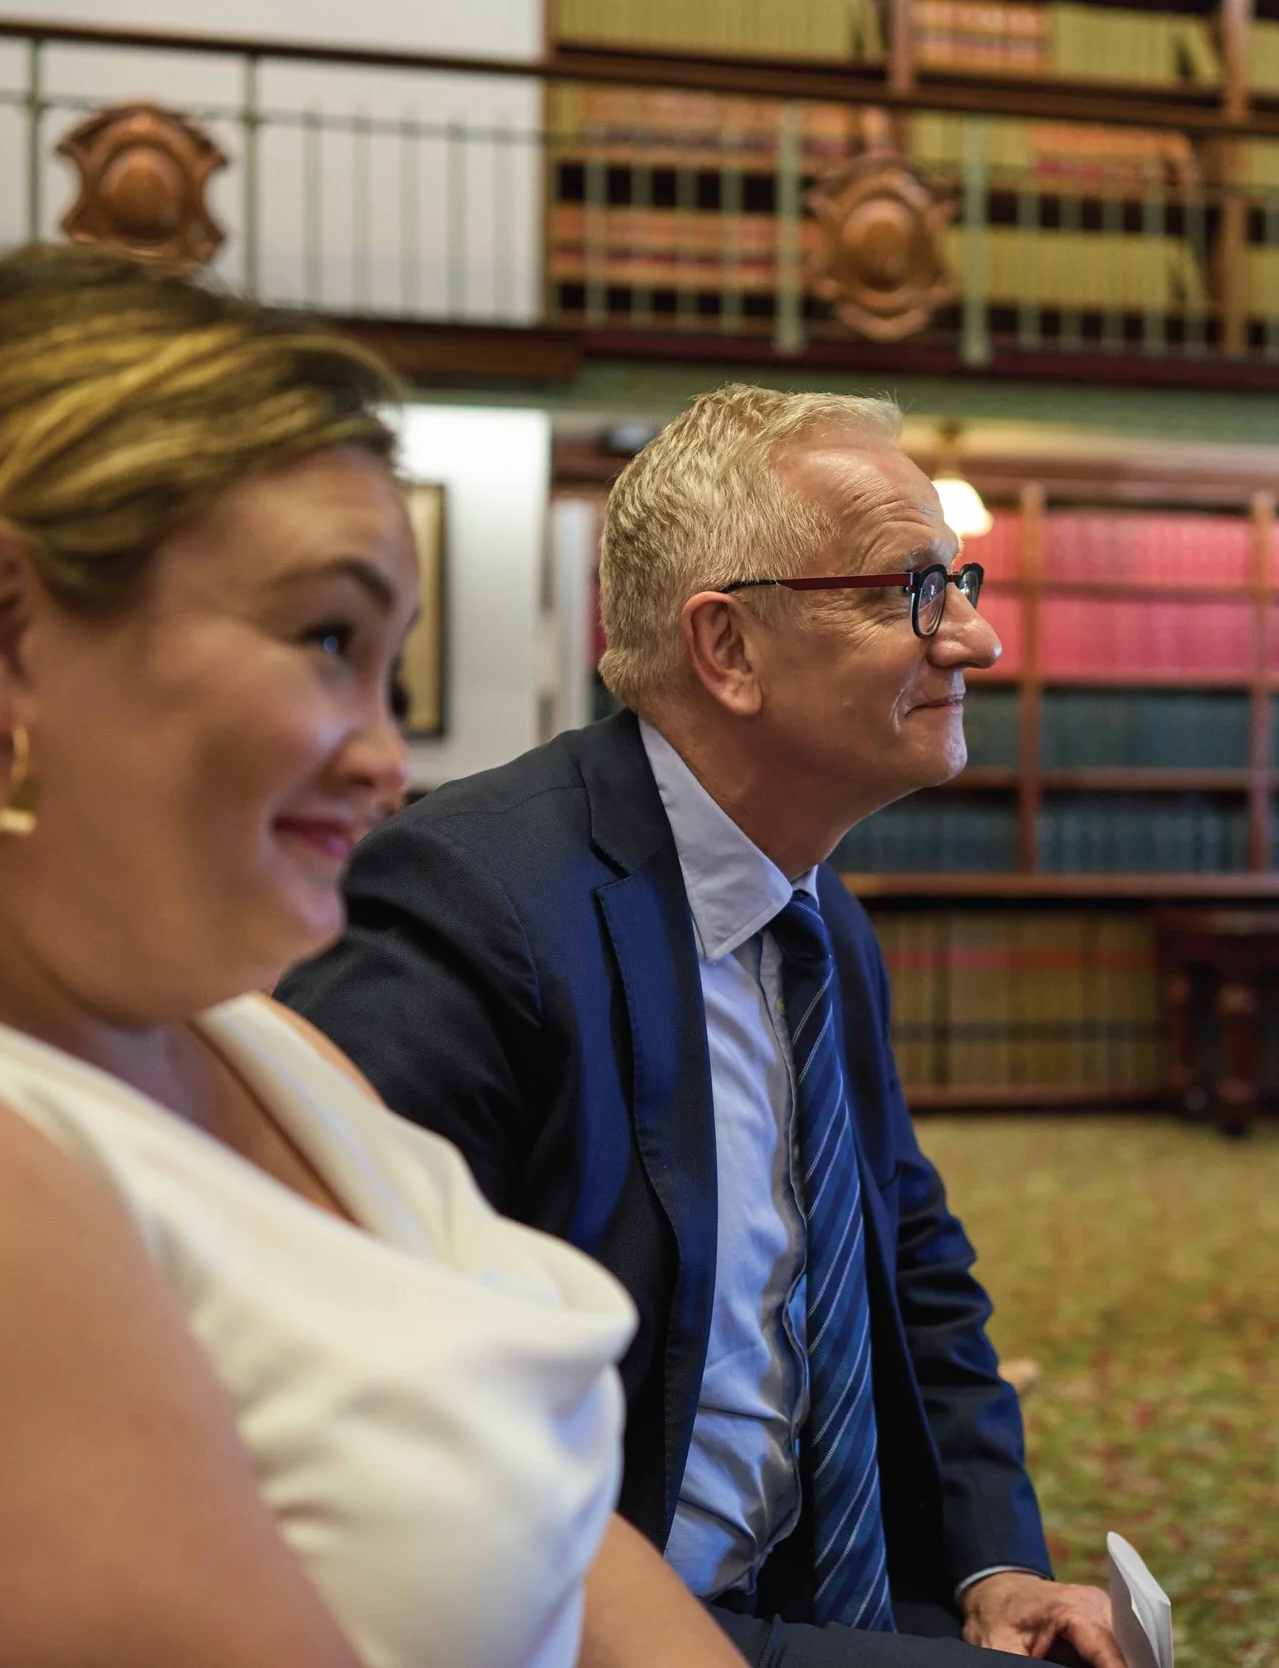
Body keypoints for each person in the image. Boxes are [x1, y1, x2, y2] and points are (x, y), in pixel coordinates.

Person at [0, 246, 744, 1668]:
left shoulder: (249, 1033)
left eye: (388, 665)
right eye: (326, 639)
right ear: (0, 634)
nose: (385, 759)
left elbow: (567, 1532)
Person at [281, 386, 1124, 1668]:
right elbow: (357, 1389)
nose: (975, 638)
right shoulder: (472, 902)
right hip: (583, 1615)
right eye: (909, 590)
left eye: (958, 579)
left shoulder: (816, 910)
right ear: (726, 647)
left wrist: (992, 1560)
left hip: (813, 1579)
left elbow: (908, 1258)